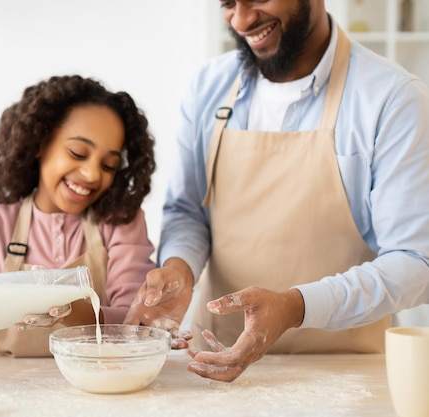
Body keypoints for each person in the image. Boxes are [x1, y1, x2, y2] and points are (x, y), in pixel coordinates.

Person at [125, 0, 429, 382]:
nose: (241, 20)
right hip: (214, 365)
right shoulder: (208, 87)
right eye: (228, 4)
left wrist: (294, 306)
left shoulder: (392, 98)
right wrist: (179, 268)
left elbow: (416, 261)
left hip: (349, 373)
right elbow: (188, 211)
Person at [0, 74, 156, 356]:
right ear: (40, 143)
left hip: (101, 390)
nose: (92, 174)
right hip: (12, 393)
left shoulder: (119, 225)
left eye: (108, 165)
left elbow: (134, 324)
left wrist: (66, 309)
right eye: (78, 153)